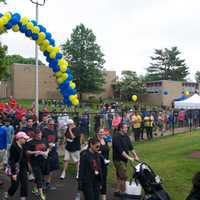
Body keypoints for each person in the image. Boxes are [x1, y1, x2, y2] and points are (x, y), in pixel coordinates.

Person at [112, 123, 139, 197]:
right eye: (125, 128)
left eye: (127, 128)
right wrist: (129, 158)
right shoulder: (116, 137)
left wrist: (135, 156)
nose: (127, 129)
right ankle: (123, 193)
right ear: (121, 128)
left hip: (124, 160)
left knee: (119, 175)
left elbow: (131, 147)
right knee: (124, 176)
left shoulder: (126, 136)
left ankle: (117, 191)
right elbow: (121, 151)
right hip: (118, 159)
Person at [4, 132, 30, 200]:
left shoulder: (24, 146)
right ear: (19, 139)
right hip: (15, 169)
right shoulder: (13, 147)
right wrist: (14, 173)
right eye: (24, 138)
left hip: (23, 168)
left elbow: (25, 159)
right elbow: (11, 161)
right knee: (15, 185)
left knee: (25, 184)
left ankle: (23, 197)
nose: (25, 140)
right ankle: (8, 193)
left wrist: (27, 170)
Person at [26, 129, 50, 200]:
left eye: (40, 134)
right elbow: (27, 152)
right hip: (35, 163)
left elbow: (48, 148)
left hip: (44, 162)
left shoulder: (44, 140)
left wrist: (46, 153)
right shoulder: (31, 142)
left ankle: (35, 188)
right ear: (35, 135)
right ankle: (41, 194)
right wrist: (36, 152)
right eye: (38, 135)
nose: (40, 136)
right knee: (39, 178)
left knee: (42, 177)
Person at [42, 118, 59, 190]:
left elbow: (56, 140)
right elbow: (41, 140)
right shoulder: (44, 131)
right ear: (47, 124)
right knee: (44, 168)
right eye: (50, 124)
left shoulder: (55, 131)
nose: (52, 125)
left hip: (53, 152)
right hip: (46, 152)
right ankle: (41, 183)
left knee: (51, 168)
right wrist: (47, 145)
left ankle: (48, 183)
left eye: (53, 124)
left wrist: (54, 144)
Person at [96, 129, 110, 200]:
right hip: (97, 165)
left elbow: (107, 151)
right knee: (97, 180)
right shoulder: (95, 141)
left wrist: (107, 160)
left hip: (104, 165)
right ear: (97, 133)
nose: (102, 133)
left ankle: (103, 197)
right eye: (100, 132)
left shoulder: (105, 140)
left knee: (104, 181)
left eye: (103, 132)